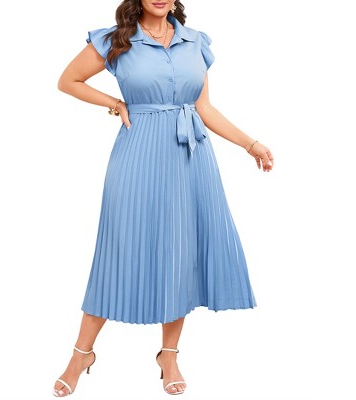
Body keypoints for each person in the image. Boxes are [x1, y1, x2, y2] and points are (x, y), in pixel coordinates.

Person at [53, 0, 274, 397]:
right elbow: (68, 81)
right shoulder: (115, 39)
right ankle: (80, 354)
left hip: (190, 159)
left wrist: (250, 144)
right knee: (117, 252)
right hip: (137, 156)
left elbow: (203, 107)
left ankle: (168, 356)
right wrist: (115, 104)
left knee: (180, 254)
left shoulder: (195, 42)